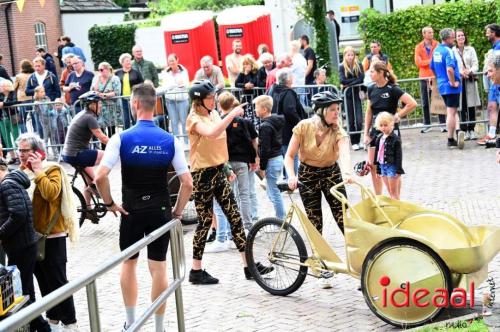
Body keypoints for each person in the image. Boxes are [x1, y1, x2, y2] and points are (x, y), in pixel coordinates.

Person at [95, 83, 193, 332]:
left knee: (129, 263)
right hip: (161, 210)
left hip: (131, 210)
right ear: (155, 104)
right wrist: (178, 212)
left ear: (136, 104)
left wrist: (109, 204)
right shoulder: (170, 140)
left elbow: (100, 177)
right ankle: (159, 327)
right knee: (159, 266)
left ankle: (131, 322)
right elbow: (187, 183)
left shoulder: (120, 138)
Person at [186, 80, 265, 284]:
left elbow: (218, 143)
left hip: (218, 171)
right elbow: (212, 134)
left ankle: (249, 266)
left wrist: (226, 167)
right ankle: (196, 271)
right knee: (204, 221)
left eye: (214, 97)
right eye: (209, 98)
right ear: (199, 101)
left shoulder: (213, 114)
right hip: (202, 174)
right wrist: (231, 114)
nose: (213, 100)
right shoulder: (194, 119)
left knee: (235, 216)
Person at [17, 133, 79, 332]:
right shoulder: (21, 172)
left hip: (52, 236)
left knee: (58, 280)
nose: (21, 154)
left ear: (37, 152)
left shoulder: (52, 169)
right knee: (42, 279)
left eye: (25, 151)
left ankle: (70, 322)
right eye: (19, 150)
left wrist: (38, 171)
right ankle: (52, 318)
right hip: (31, 237)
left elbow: (51, 193)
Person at [285, 90, 353, 236]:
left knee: (344, 218)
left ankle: (357, 255)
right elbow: (289, 156)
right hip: (308, 174)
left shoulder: (338, 131)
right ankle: (317, 256)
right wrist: (291, 176)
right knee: (314, 221)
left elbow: (345, 154)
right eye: (332, 109)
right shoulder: (303, 127)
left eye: (338, 109)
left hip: (331, 173)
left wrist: (347, 173)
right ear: (321, 111)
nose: (337, 113)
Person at [0, 160, 52, 332]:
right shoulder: (13, 182)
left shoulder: (7, 185)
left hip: (20, 246)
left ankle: (42, 327)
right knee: (25, 289)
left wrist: (1, 233)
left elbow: (18, 214)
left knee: (19, 292)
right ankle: (36, 327)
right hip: (23, 245)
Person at [205, 93, 258, 252]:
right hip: (242, 161)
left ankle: (227, 234)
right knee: (244, 194)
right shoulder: (244, 122)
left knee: (229, 198)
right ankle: (247, 226)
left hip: (226, 162)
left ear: (220, 105)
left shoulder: (219, 123)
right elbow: (252, 141)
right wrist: (254, 158)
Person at [363, 62, 416, 195]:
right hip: (375, 132)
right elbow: (369, 112)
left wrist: (397, 116)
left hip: (390, 133)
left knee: (391, 166)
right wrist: (365, 133)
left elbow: (412, 103)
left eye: (372, 72)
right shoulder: (370, 89)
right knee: (373, 165)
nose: (370, 74)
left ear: (381, 72)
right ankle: (379, 197)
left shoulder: (393, 89)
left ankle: (395, 197)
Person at [62, 91, 109, 213]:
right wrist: (119, 146)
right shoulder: (89, 117)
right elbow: (102, 138)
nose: (101, 106)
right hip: (76, 153)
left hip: (70, 154)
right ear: (92, 105)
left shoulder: (83, 114)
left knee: (90, 180)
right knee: (107, 156)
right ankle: (93, 186)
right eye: (99, 103)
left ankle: (87, 210)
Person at [430, 28, 464, 149]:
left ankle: (458, 131)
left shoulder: (436, 50)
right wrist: (453, 82)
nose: (454, 39)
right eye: (453, 37)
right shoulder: (448, 51)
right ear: (448, 38)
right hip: (450, 86)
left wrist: (439, 78)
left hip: (441, 85)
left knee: (452, 111)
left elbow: (432, 67)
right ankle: (450, 139)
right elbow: (450, 69)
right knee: (451, 112)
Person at [253, 95, 286, 220]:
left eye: (257, 107)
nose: (255, 110)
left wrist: (262, 166)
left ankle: (281, 219)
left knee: (274, 192)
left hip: (272, 160)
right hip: (277, 158)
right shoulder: (274, 121)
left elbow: (265, 149)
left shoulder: (265, 126)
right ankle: (281, 215)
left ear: (264, 109)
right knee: (272, 190)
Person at [270, 68, 306, 178]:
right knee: (291, 155)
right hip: (287, 130)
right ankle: (291, 179)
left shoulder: (272, 90)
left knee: (284, 154)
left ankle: (286, 178)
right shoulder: (288, 92)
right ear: (289, 79)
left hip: (276, 128)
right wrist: (300, 123)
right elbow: (290, 110)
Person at [415, 26, 446, 133]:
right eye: (429, 32)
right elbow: (418, 63)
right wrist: (431, 60)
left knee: (438, 100)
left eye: (432, 32)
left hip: (436, 76)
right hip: (424, 77)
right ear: (424, 34)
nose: (432, 34)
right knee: (425, 102)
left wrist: (427, 61)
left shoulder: (437, 44)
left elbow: (439, 59)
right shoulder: (418, 47)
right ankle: (427, 124)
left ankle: (442, 124)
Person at [453, 29, 480, 140]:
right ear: (455, 38)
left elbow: (476, 64)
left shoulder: (471, 49)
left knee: (471, 106)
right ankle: (463, 130)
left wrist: (469, 71)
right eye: (458, 36)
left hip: (469, 81)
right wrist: (460, 72)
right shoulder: (452, 50)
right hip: (459, 81)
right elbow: (452, 66)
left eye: (462, 35)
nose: (461, 37)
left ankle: (472, 129)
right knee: (462, 107)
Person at [158, 54, 190, 142]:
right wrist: (176, 85)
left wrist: (173, 86)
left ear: (177, 60)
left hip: (182, 100)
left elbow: (185, 85)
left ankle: (186, 142)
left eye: (173, 60)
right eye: (169, 61)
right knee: (174, 122)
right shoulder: (165, 73)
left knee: (184, 121)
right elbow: (165, 86)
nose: (171, 62)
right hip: (170, 100)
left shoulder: (184, 71)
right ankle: (176, 142)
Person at [373, 112, 404, 200]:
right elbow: (377, 154)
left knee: (394, 193)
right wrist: (378, 169)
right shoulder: (379, 138)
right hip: (383, 167)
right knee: (390, 192)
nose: (383, 127)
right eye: (381, 125)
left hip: (392, 167)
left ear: (391, 124)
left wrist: (399, 170)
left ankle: (398, 211)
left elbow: (399, 156)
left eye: (385, 125)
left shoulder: (395, 139)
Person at [339, 46, 365, 150]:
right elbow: (342, 81)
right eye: (348, 55)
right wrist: (354, 81)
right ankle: (354, 142)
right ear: (345, 56)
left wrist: (350, 84)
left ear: (354, 55)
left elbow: (361, 78)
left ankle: (358, 141)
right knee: (350, 119)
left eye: (352, 55)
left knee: (359, 120)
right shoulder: (342, 66)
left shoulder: (358, 65)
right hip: (348, 95)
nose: (350, 57)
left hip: (357, 94)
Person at [479, 24, 500, 145]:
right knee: (491, 107)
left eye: (488, 32)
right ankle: (491, 134)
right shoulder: (494, 47)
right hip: (494, 82)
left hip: (498, 81)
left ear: (494, 33)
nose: (486, 34)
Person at [91, 61, 121, 138]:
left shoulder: (114, 79)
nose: (99, 72)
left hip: (111, 107)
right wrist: (98, 79)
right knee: (101, 130)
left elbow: (116, 92)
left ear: (107, 69)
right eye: (98, 70)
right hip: (100, 108)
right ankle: (104, 148)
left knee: (112, 130)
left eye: (101, 70)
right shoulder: (96, 78)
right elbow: (93, 90)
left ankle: (112, 146)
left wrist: (104, 95)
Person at [115, 53, 144, 129]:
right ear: (122, 63)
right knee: (125, 120)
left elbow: (142, 84)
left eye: (129, 61)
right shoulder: (117, 73)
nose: (129, 62)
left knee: (135, 119)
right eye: (126, 61)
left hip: (134, 99)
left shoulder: (136, 72)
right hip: (123, 99)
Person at [14, 59, 35, 134]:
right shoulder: (34, 75)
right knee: (34, 119)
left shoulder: (18, 76)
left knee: (22, 120)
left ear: (22, 67)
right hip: (33, 98)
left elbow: (14, 87)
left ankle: (25, 135)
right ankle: (36, 134)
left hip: (22, 100)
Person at [0, 80, 19, 163]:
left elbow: (16, 102)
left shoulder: (13, 93)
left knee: (16, 137)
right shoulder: (0, 95)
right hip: (2, 119)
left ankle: (19, 156)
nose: (0, 88)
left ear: (6, 87)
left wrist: (4, 104)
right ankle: (13, 157)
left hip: (12, 118)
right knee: (6, 138)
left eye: (1, 86)